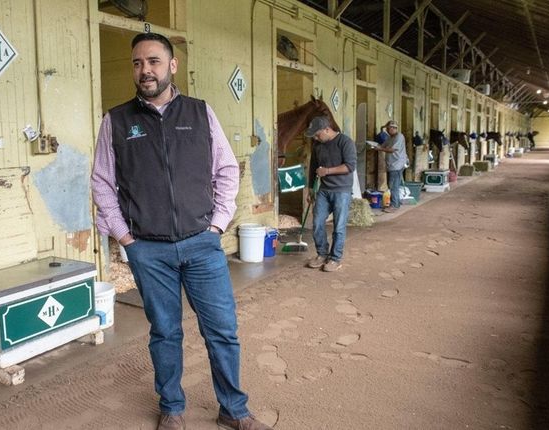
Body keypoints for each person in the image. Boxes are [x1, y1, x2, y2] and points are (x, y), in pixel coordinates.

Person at [91, 32, 271, 430]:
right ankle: (172, 407)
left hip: (201, 245)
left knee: (222, 331)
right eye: (138, 63)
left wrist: (217, 225)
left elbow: (226, 169)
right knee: (165, 332)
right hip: (148, 250)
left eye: (154, 61)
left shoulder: (200, 113)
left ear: (172, 66)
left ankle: (233, 409)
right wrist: (125, 237)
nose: (145, 70)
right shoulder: (116, 121)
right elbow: (103, 182)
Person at [306, 116, 357, 272]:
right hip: (323, 190)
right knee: (317, 222)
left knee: (339, 227)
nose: (315, 138)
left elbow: (350, 166)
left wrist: (327, 171)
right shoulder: (318, 145)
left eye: (317, 134)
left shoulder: (345, 142)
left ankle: (335, 259)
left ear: (327, 130)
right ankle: (322, 254)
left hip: (342, 191)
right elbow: (313, 167)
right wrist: (310, 188)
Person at [373, 120, 408, 212]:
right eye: (388, 129)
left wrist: (380, 148)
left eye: (390, 128)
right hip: (392, 164)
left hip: (397, 164)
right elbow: (383, 145)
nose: (389, 130)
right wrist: (376, 146)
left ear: (395, 128)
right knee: (392, 184)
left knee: (393, 186)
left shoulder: (399, 137)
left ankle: (394, 205)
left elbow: (392, 150)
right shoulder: (390, 137)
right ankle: (396, 202)